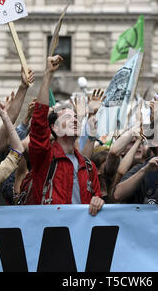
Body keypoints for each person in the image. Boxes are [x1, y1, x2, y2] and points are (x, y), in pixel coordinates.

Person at [25, 55, 104, 216]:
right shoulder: (45, 158)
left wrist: (98, 201)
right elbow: (39, 123)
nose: (74, 120)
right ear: (54, 128)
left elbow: (97, 199)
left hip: (82, 234)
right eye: (67, 118)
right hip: (52, 231)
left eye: (75, 117)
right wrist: (47, 74)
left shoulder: (89, 166)